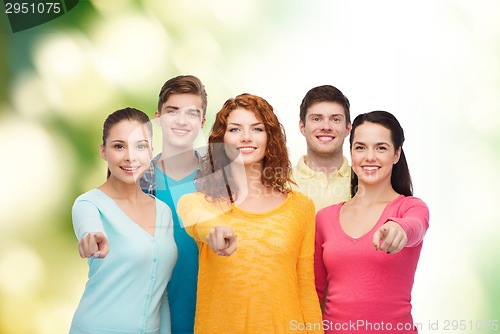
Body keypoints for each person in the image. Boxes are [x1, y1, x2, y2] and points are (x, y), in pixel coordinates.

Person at [177, 93, 323, 333]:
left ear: (270, 138)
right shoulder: (197, 203)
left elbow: (305, 288)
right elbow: (199, 223)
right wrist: (214, 231)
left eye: (257, 129)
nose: (246, 137)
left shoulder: (301, 207)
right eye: (235, 130)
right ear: (221, 140)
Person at [78, 75, 208, 334]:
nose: (181, 121)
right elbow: (92, 220)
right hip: (151, 321)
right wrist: (90, 238)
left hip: (209, 317)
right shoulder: (135, 181)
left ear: (202, 122)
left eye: (191, 114)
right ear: (158, 118)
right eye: (173, 112)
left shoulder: (220, 184)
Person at [314, 111, 429, 334]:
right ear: (351, 153)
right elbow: (315, 292)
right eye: (360, 147)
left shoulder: (409, 208)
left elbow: (416, 226)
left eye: (381, 148)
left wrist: (399, 228)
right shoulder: (325, 218)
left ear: (396, 154)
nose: (369, 157)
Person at [70, 107, 177, 334]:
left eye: (140, 146)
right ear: (103, 151)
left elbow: (161, 294)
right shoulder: (89, 204)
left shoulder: (164, 212)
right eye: (119, 146)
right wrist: (91, 238)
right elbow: (89, 230)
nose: (130, 156)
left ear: (151, 152)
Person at [291, 85, 352, 211]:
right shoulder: (281, 183)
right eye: (316, 119)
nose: (326, 126)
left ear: (348, 129)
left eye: (335, 119)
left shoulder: (365, 180)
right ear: (302, 127)